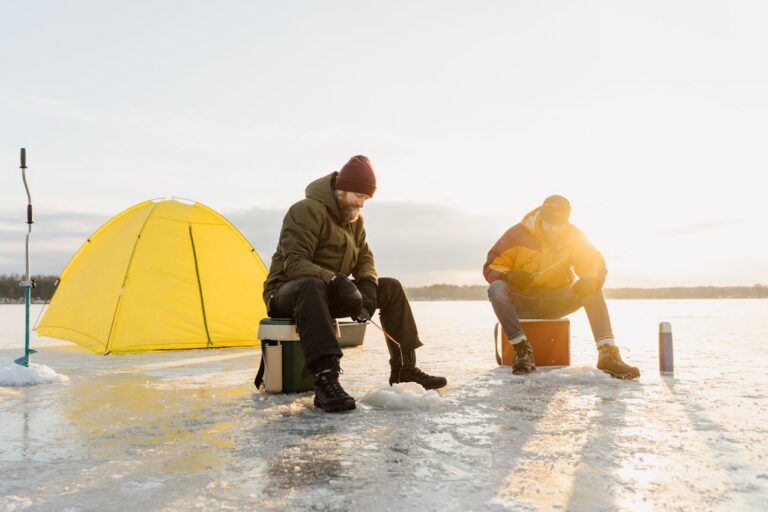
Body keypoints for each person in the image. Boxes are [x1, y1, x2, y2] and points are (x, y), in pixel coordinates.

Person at [263, 155, 447, 412]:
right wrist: (336, 280)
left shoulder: (355, 220)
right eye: (358, 195)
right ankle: (326, 379)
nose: (362, 203)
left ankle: (404, 369)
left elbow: (364, 258)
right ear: (340, 188)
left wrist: (368, 287)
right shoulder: (305, 210)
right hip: (287, 292)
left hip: (326, 292)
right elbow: (294, 264)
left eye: (366, 199)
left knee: (390, 287)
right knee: (310, 285)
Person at [484, 195, 640, 379]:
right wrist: (509, 275)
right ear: (540, 214)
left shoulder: (574, 236)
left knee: (593, 289)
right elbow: (492, 265)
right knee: (497, 288)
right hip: (524, 301)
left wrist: (591, 279)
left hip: (556, 301)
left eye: (557, 223)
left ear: (566, 219)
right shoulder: (516, 234)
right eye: (548, 221)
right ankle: (522, 351)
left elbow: (593, 263)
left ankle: (607, 353)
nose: (552, 228)